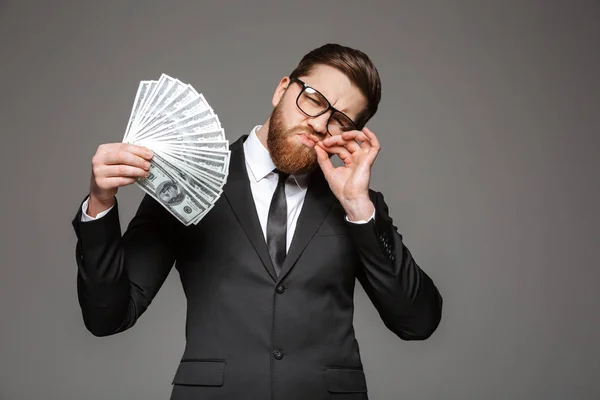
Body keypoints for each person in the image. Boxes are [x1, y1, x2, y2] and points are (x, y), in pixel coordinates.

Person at [72, 43, 443, 400]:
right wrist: (100, 203)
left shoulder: (356, 203)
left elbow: (417, 321)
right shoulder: (189, 177)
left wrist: (359, 207)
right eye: (313, 99)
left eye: (339, 121)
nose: (318, 123)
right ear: (283, 89)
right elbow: (108, 317)